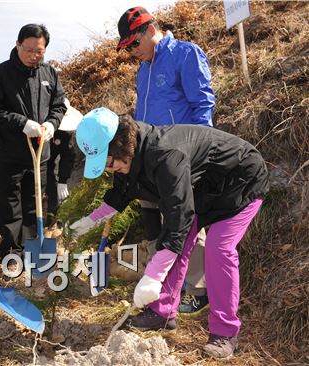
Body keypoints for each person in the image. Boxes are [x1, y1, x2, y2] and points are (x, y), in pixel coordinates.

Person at [71, 108, 269, 358]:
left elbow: (178, 217)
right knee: (177, 240)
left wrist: (153, 276)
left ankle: (225, 332)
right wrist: (91, 220)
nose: (110, 170)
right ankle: (162, 312)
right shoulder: (131, 156)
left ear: (121, 146)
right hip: (203, 190)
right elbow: (122, 192)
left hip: (240, 182)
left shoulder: (165, 155)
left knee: (218, 249)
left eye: (109, 164)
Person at [116, 6, 216, 312]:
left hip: (182, 158)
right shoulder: (143, 70)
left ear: (149, 30)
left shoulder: (185, 55)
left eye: (135, 43)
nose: (132, 51)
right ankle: (159, 287)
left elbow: (203, 104)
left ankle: (198, 291)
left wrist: (199, 152)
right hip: (149, 159)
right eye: (127, 47)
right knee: (152, 222)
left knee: (186, 222)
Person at [0, 23, 66, 261]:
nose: (34, 56)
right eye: (28, 49)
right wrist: (22, 123)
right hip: (10, 153)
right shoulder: (0, 74)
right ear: (18, 45)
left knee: (34, 203)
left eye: (39, 51)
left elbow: (59, 105)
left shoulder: (49, 74)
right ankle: (11, 251)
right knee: (9, 204)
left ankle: (32, 250)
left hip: (40, 154)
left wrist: (52, 123)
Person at [45, 98, 81, 226]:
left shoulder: (66, 133)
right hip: (30, 162)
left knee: (53, 190)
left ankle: (51, 220)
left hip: (49, 164)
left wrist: (62, 180)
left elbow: (67, 156)